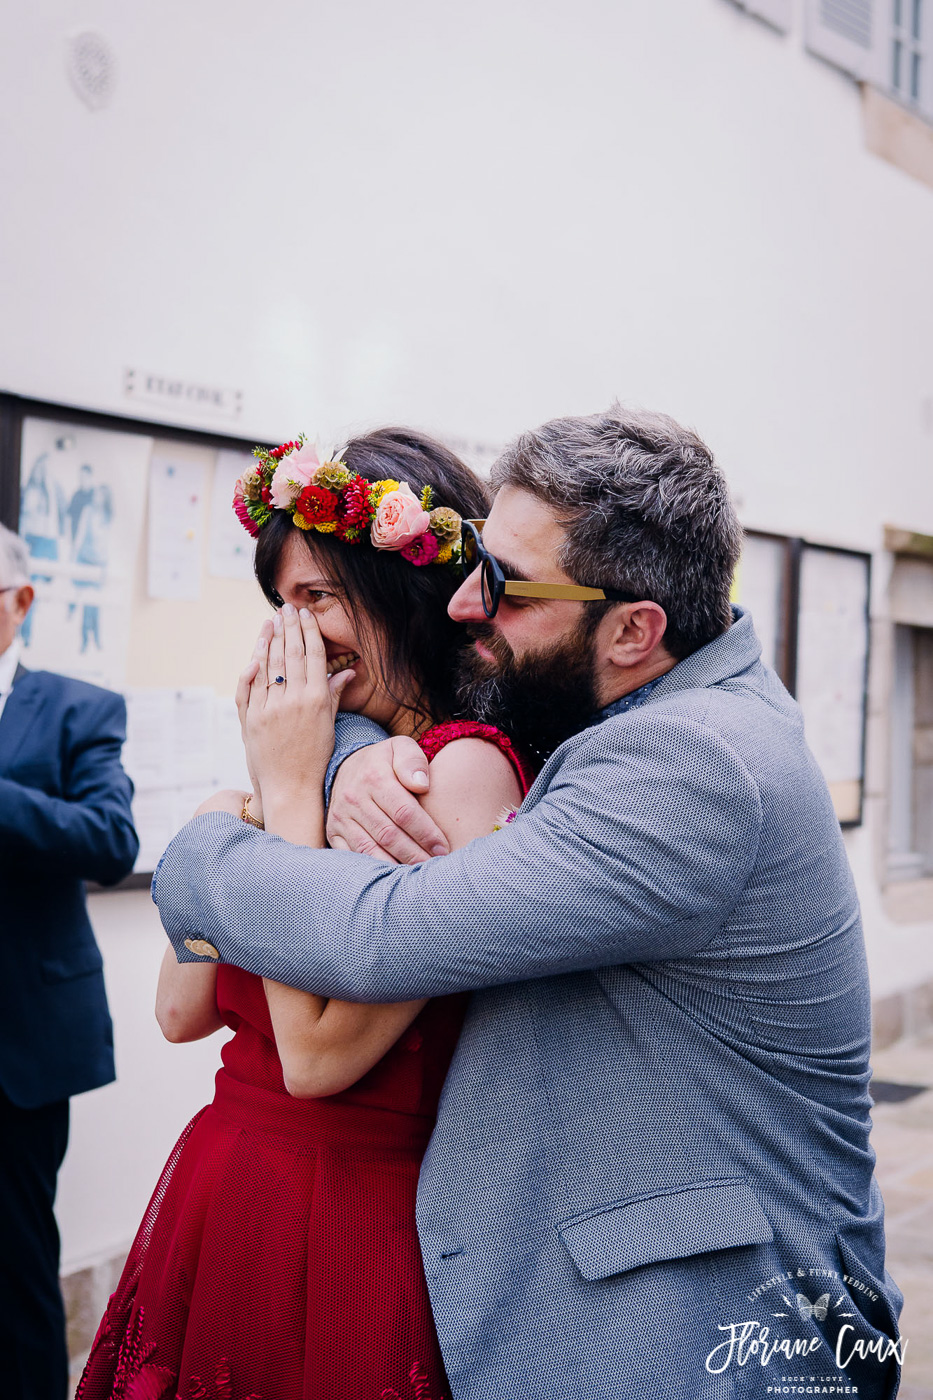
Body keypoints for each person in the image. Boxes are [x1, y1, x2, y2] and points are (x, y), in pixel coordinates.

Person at [155, 405, 903, 1400]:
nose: (464, 602)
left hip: (697, 1331)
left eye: (504, 584)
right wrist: (342, 756)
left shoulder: (690, 763)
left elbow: (378, 936)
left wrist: (212, 828)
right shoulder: (652, 707)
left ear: (635, 628)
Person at [78, 430, 534, 1400]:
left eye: (319, 597)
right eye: (281, 603)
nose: (293, 633)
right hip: (226, 1180)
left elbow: (316, 1057)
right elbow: (180, 1008)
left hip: (361, 1213)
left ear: (401, 593)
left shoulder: (461, 772)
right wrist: (243, 802)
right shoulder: (325, 761)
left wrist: (282, 803)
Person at [0, 522, 138, 1400]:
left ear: (20, 603)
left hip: (17, 1042)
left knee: (13, 1265)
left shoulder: (79, 707)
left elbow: (112, 841)